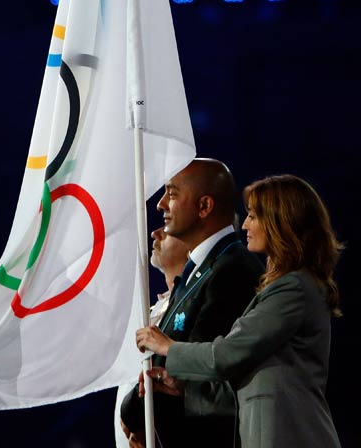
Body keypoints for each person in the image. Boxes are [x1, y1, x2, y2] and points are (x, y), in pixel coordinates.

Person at [136, 174, 343, 448]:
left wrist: (167, 348)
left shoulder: (294, 289)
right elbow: (248, 384)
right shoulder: (287, 287)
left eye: (254, 216)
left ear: (280, 221)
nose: (244, 224)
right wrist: (185, 388)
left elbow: (226, 355)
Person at [120, 158, 262, 448]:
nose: (160, 205)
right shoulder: (200, 269)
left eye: (172, 194)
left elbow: (198, 376)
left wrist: (137, 410)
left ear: (204, 207)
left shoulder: (233, 269)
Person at [114, 226, 191, 448]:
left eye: (168, 230)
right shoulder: (152, 311)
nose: (155, 234)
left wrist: (134, 415)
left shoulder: (189, 310)